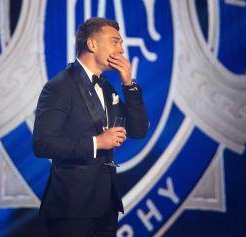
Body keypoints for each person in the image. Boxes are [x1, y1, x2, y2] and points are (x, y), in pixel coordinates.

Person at [33, 17, 148, 237]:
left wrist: (128, 84)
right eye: (115, 42)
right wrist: (98, 142)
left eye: (121, 43)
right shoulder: (59, 87)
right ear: (92, 44)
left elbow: (139, 130)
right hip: (71, 209)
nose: (121, 49)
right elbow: (42, 143)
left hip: (105, 206)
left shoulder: (106, 87)